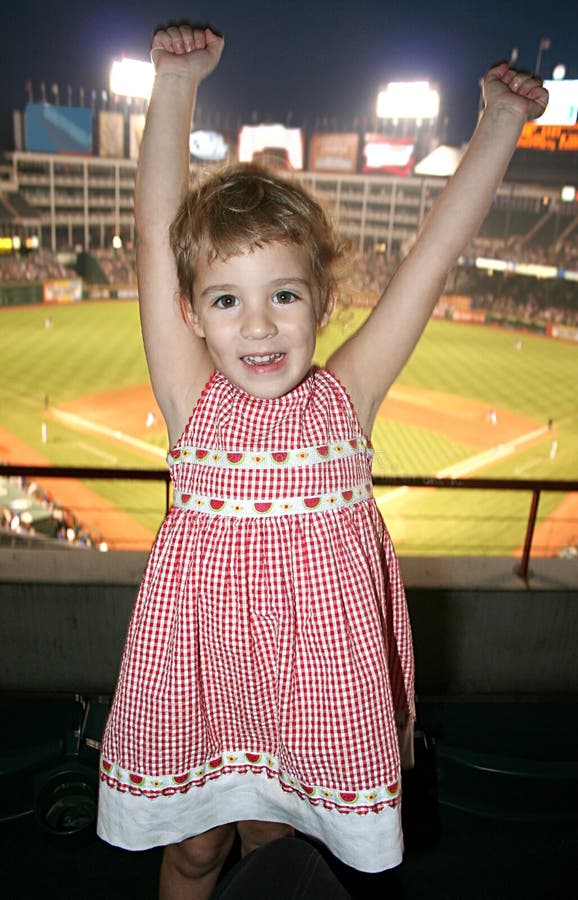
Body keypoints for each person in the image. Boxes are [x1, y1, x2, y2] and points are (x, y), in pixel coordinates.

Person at [96, 21, 548, 900]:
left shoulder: (348, 399)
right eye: (226, 299)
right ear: (191, 314)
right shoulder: (195, 402)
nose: (257, 325)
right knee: (193, 851)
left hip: (312, 684)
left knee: (274, 842)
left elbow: (430, 262)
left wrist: (499, 123)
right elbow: (157, 237)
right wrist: (175, 84)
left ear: (322, 301)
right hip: (201, 670)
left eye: (283, 295)